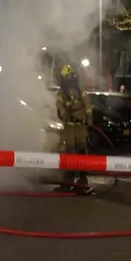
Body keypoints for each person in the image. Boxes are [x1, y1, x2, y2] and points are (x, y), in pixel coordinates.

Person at [55, 64, 93, 193]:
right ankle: (69, 179)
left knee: (82, 151)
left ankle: (82, 179)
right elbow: (59, 105)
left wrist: (89, 120)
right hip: (70, 127)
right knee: (70, 152)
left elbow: (87, 105)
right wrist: (65, 114)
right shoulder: (62, 91)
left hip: (80, 125)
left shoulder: (80, 88)